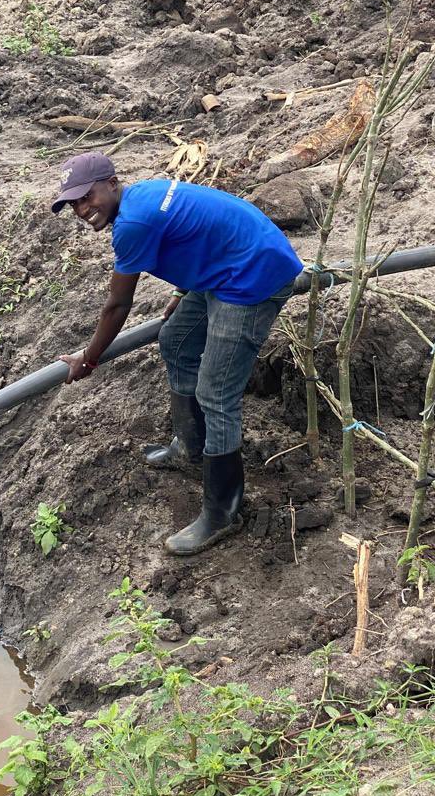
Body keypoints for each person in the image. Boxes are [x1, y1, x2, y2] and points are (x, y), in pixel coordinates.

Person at [53, 151, 303, 555]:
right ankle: (191, 445)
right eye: (74, 204)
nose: (82, 210)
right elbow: (197, 232)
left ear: (112, 182)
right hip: (226, 266)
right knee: (176, 341)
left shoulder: (132, 222)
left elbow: (117, 306)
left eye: (87, 197)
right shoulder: (141, 197)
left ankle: (223, 512)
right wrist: (184, 288)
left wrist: (90, 357)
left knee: (216, 395)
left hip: (251, 276)